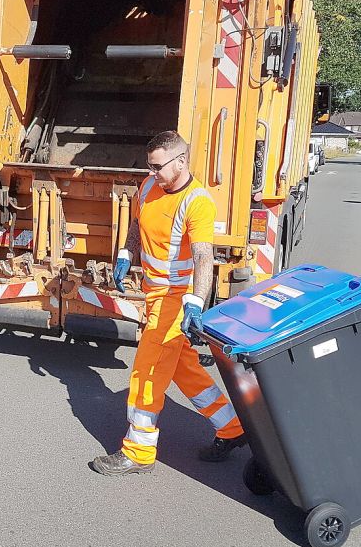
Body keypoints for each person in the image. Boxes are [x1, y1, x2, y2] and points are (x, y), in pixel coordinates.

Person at [91, 131, 245, 476]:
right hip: (154, 294)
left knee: (146, 374)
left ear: (180, 162)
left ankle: (138, 451)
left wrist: (195, 303)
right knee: (182, 368)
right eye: (150, 166)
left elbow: (205, 254)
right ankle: (233, 427)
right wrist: (126, 254)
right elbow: (137, 222)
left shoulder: (198, 201)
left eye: (159, 166)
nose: (153, 173)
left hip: (174, 301)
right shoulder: (148, 188)